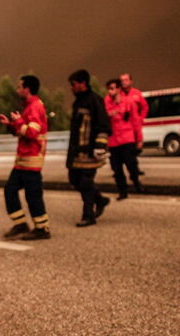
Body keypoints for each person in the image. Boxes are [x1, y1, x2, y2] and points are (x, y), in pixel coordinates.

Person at [0, 74, 51, 241]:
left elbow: (32, 132)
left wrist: (19, 121)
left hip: (32, 160)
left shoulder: (35, 106)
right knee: (10, 190)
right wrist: (11, 125)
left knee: (32, 195)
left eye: (20, 87)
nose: (17, 90)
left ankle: (42, 228)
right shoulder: (28, 106)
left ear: (27, 89)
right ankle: (21, 224)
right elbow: (23, 131)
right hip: (23, 161)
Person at [66, 69, 111, 227]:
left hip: (90, 152)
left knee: (86, 182)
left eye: (73, 84)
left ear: (83, 84)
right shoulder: (77, 102)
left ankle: (88, 215)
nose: (71, 88)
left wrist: (100, 145)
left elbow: (103, 124)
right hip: (77, 153)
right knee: (74, 179)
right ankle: (100, 200)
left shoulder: (94, 100)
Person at [104, 78, 140, 200]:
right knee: (117, 168)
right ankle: (122, 191)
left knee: (131, 165)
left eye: (113, 88)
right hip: (113, 141)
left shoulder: (128, 102)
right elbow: (102, 121)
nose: (110, 91)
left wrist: (138, 139)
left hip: (127, 139)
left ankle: (136, 183)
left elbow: (135, 121)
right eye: (109, 89)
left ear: (119, 89)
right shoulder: (106, 103)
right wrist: (108, 115)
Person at [120, 72, 147, 188]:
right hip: (123, 129)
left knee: (135, 149)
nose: (124, 82)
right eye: (122, 80)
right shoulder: (117, 94)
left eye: (126, 80)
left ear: (131, 81)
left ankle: (134, 170)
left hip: (135, 125)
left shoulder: (136, 94)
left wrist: (141, 118)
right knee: (127, 151)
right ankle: (131, 171)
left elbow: (144, 107)